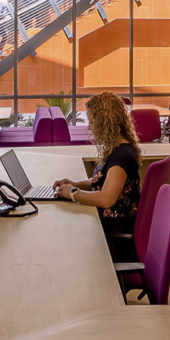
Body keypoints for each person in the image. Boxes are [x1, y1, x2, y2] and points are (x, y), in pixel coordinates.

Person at [53, 91, 141, 260]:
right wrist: (76, 184)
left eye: (92, 122)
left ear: (104, 123)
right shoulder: (118, 148)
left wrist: (72, 193)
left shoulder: (122, 156)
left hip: (112, 232)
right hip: (107, 224)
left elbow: (106, 199)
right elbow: (103, 182)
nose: (89, 127)